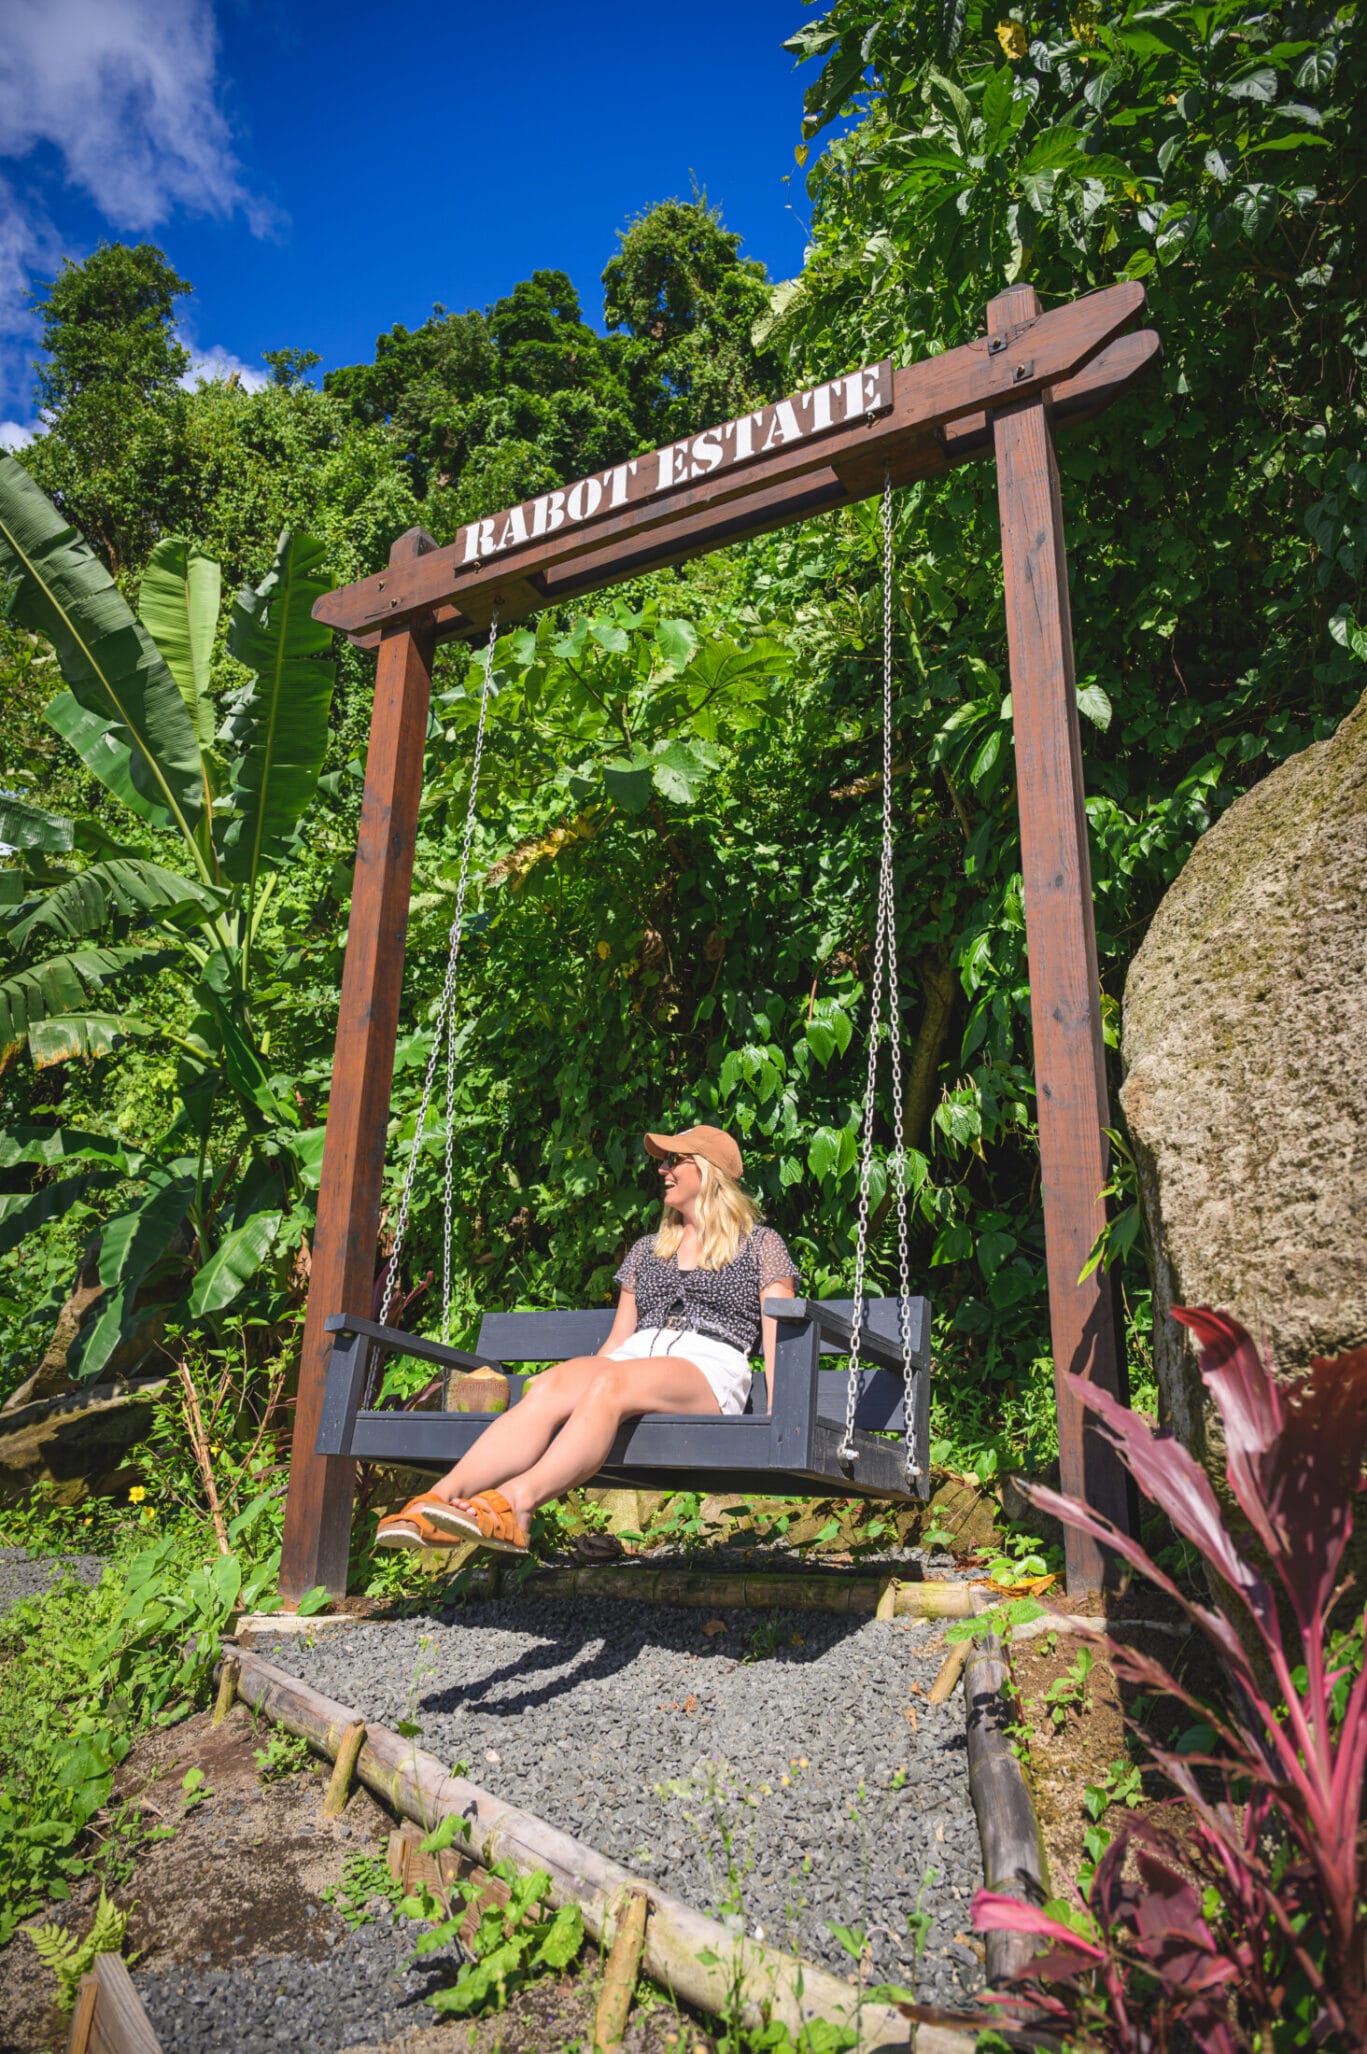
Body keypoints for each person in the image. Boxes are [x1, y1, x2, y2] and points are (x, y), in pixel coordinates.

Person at [374, 1124, 799, 1554]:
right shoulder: (649, 1249)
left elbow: (780, 1338)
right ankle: (437, 1501)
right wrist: (580, 1389)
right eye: (663, 1162)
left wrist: (777, 1420)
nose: (663, 1170)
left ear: (707, 1171)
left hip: (709, 1367)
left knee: (611, 1383)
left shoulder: (760, 1245)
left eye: (674, 1160)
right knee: (548, 1385)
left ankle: (515, 1506)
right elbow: (618, 1343)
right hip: (633, 1361)